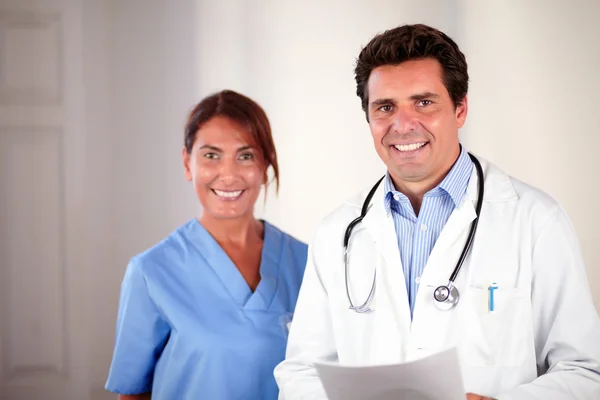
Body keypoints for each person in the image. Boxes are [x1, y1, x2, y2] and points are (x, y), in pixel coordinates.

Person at [274, 24, 600, 399]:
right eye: (385, 107)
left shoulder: (535, 220)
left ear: (460, 109)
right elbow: (302, 372)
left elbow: (584, 371)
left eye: (424, 102)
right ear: (368, 117)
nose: (403, 124)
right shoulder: (338, 232)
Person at [105, 90, 308, 399]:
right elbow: (133, 394)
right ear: (188, 164)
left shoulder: (307, 262)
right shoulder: (150, 273)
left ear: (265, 165)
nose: (228, 175)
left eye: (245, 155)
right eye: (211, 155)